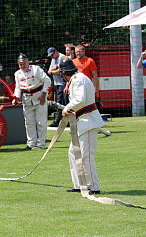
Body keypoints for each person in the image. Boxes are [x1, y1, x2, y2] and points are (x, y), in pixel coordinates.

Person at [59, 58, 104, 195]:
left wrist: (67, 109)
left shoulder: (78, 79)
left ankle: (93, 187)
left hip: (88, 121)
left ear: (64, 73)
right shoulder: (76, 79)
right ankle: (79, 184)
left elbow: (80, 100)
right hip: (81, 122)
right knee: (73, 153)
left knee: (86, 156)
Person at [12, 53, 51, 150]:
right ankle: (31, 144)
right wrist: (16, 97)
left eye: (24, 63)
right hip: (27, 99)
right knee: (29, 123)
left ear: (28, 62)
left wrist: (44, 94)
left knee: (41, 122)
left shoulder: (36, 69)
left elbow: (47, 81)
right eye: (20, 64)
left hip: (39, 96)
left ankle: (41, 144)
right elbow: (18, 87)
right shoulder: (17, 74)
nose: (22, 65)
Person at [47, 47, 69, 127]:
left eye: (52, 55)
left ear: (56, 51)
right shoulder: (53, 59)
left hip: (63, 82)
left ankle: (67, 120)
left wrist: (53, 71)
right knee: (59, 102)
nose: (52, 57)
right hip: (57, 83)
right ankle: (57, 120)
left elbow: (61, 71)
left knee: (66, 101)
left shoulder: (62, 57)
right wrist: (53, 70)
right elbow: (49, 71)